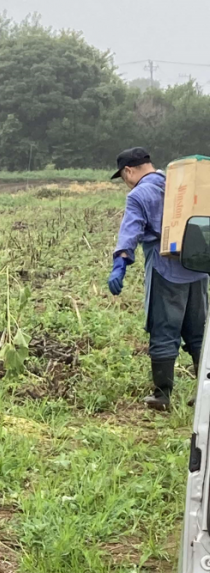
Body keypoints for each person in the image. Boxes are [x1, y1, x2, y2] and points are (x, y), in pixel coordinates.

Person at [108, 147, 209, 411]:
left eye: (123, 177)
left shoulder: (139, 194)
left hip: (165, 269)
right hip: (197, 266)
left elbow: (130, 232)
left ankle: (162, 395)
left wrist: (120, 264)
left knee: (164, 328)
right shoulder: (178, 183)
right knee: (198, 332)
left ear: (128, 171)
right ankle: (205, 394)